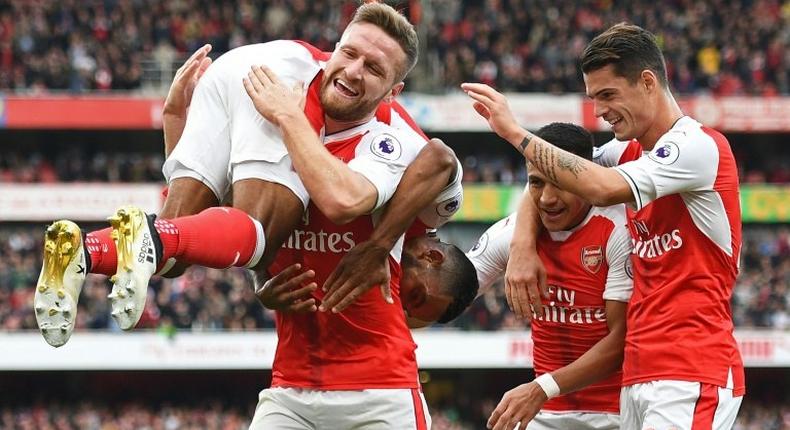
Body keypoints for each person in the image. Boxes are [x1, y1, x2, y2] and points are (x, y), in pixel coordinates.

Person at [33, 2, 462, 346]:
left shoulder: (370, 157)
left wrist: (174, 122)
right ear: (434, 254)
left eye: (373, 69)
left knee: (173, 258)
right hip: (271, 83)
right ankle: (147, 237)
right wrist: (379, 244)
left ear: (393, 88)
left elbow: (223, 221)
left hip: (227, 72)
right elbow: (429, 164)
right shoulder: (401, 146)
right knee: (252, 231)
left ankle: (82, 250)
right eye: (349, 54)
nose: (353, 70)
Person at [464, 23, 744, 430]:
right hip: (640, 371)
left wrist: (513, 132)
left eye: (608, 94)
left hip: (692, 368)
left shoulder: (697, 147)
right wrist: (523, 244)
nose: (598, 110)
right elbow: (554, 171)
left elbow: (599, 186)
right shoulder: (626, 150)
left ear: (648, 82)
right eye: (593, 97)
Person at [461, 123, 631, 430]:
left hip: (615, 413)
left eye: (560, 184)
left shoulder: (617, 230)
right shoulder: (513, 234)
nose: (547, 199)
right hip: (546, 412)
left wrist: (542, 388)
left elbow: (622, 341)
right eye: (537, 183)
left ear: (586, 178)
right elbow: (451, 294)